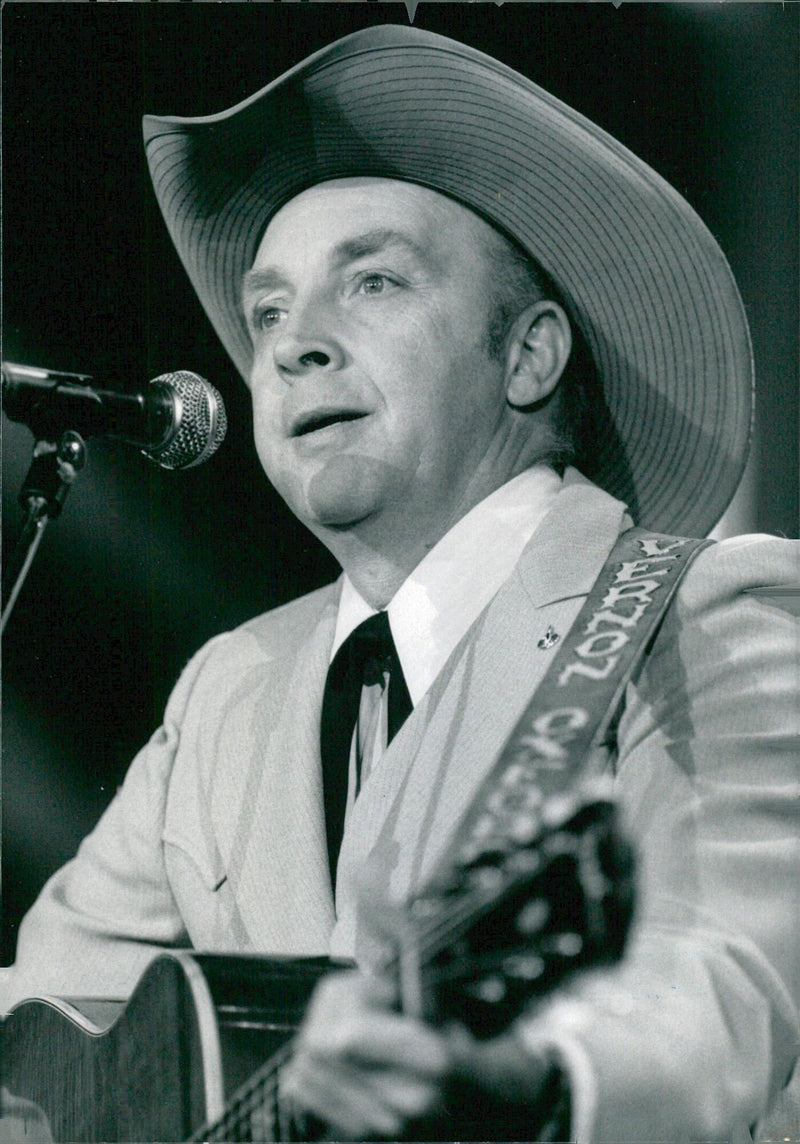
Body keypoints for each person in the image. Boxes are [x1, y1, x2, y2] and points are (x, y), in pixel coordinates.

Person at [2, 24, 798, 1142]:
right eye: (268, 311)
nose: (290, 347)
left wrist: (534, 1080)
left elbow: (721, 985)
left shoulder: (703, 614)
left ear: (527, 356)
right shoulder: (225, 691)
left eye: (370, 281)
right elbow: (31, 1044)